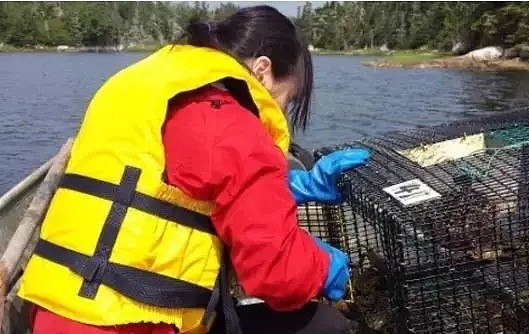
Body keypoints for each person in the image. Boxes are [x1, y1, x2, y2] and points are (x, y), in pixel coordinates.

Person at [18, 5, 370, 334]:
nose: (278, 113)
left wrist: (293, 184)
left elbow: (166, 185)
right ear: (262, 70)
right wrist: (323, 267)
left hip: (54, 307)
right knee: (326, 324)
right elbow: (277, 274)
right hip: (128, 321)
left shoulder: (151, 81)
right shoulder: (224, 115)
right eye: (285, 100)